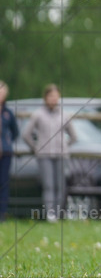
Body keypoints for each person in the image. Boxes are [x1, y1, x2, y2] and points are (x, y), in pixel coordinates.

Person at [21, 84, 77, 222]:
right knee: (49, 185)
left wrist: (64, 146)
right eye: (50, 96)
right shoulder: (38, 114)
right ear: (45, 97)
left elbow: (74, 136)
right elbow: (26, 134)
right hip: (44, 156)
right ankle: (50, 214)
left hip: (61, 155)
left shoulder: (64, 114)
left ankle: (59, 213)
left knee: (61, 185)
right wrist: (36, 148)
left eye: (55, 96)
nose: (53, 99)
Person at [0, 82, 18, 221]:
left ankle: (2, 214)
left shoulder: (8, 113)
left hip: (5, 153)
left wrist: (6, 143)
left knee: (4, 183)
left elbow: (15, 132)